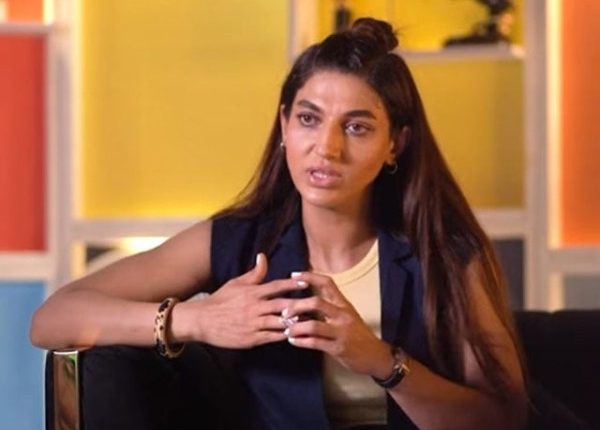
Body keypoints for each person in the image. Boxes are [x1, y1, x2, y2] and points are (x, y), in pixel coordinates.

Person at [31, 17, 527, 430]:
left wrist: (379, 359)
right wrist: (197, 320)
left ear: (395, 144)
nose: (327, 148)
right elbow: (53, 318)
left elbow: (503, 418)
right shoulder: (239, 240)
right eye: (309, 119)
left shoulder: (446, 250)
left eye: (356, 127)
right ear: (285, 124)